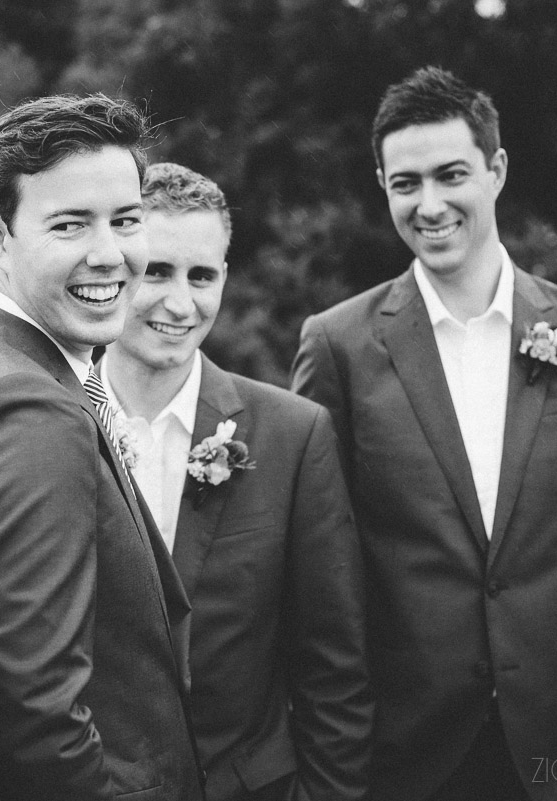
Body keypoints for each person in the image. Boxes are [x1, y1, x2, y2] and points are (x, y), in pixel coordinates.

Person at [291, 66, 557, 801]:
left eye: (451, 175)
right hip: (408, 753)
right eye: (406, 183)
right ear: (382, 186)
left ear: (496, 170)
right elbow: (317, 572)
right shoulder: (337, 346)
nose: (430, 204)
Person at [0, 95, 204, 801]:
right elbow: (32, 715)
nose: (109, 254)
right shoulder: (22, 406)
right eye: (70, 225)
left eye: (125, 220)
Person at [99, 162, 371, 801]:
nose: (180, 303)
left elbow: (334, 667)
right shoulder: (52, 421)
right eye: (156, 271)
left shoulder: (293, 436)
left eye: (202, 276)